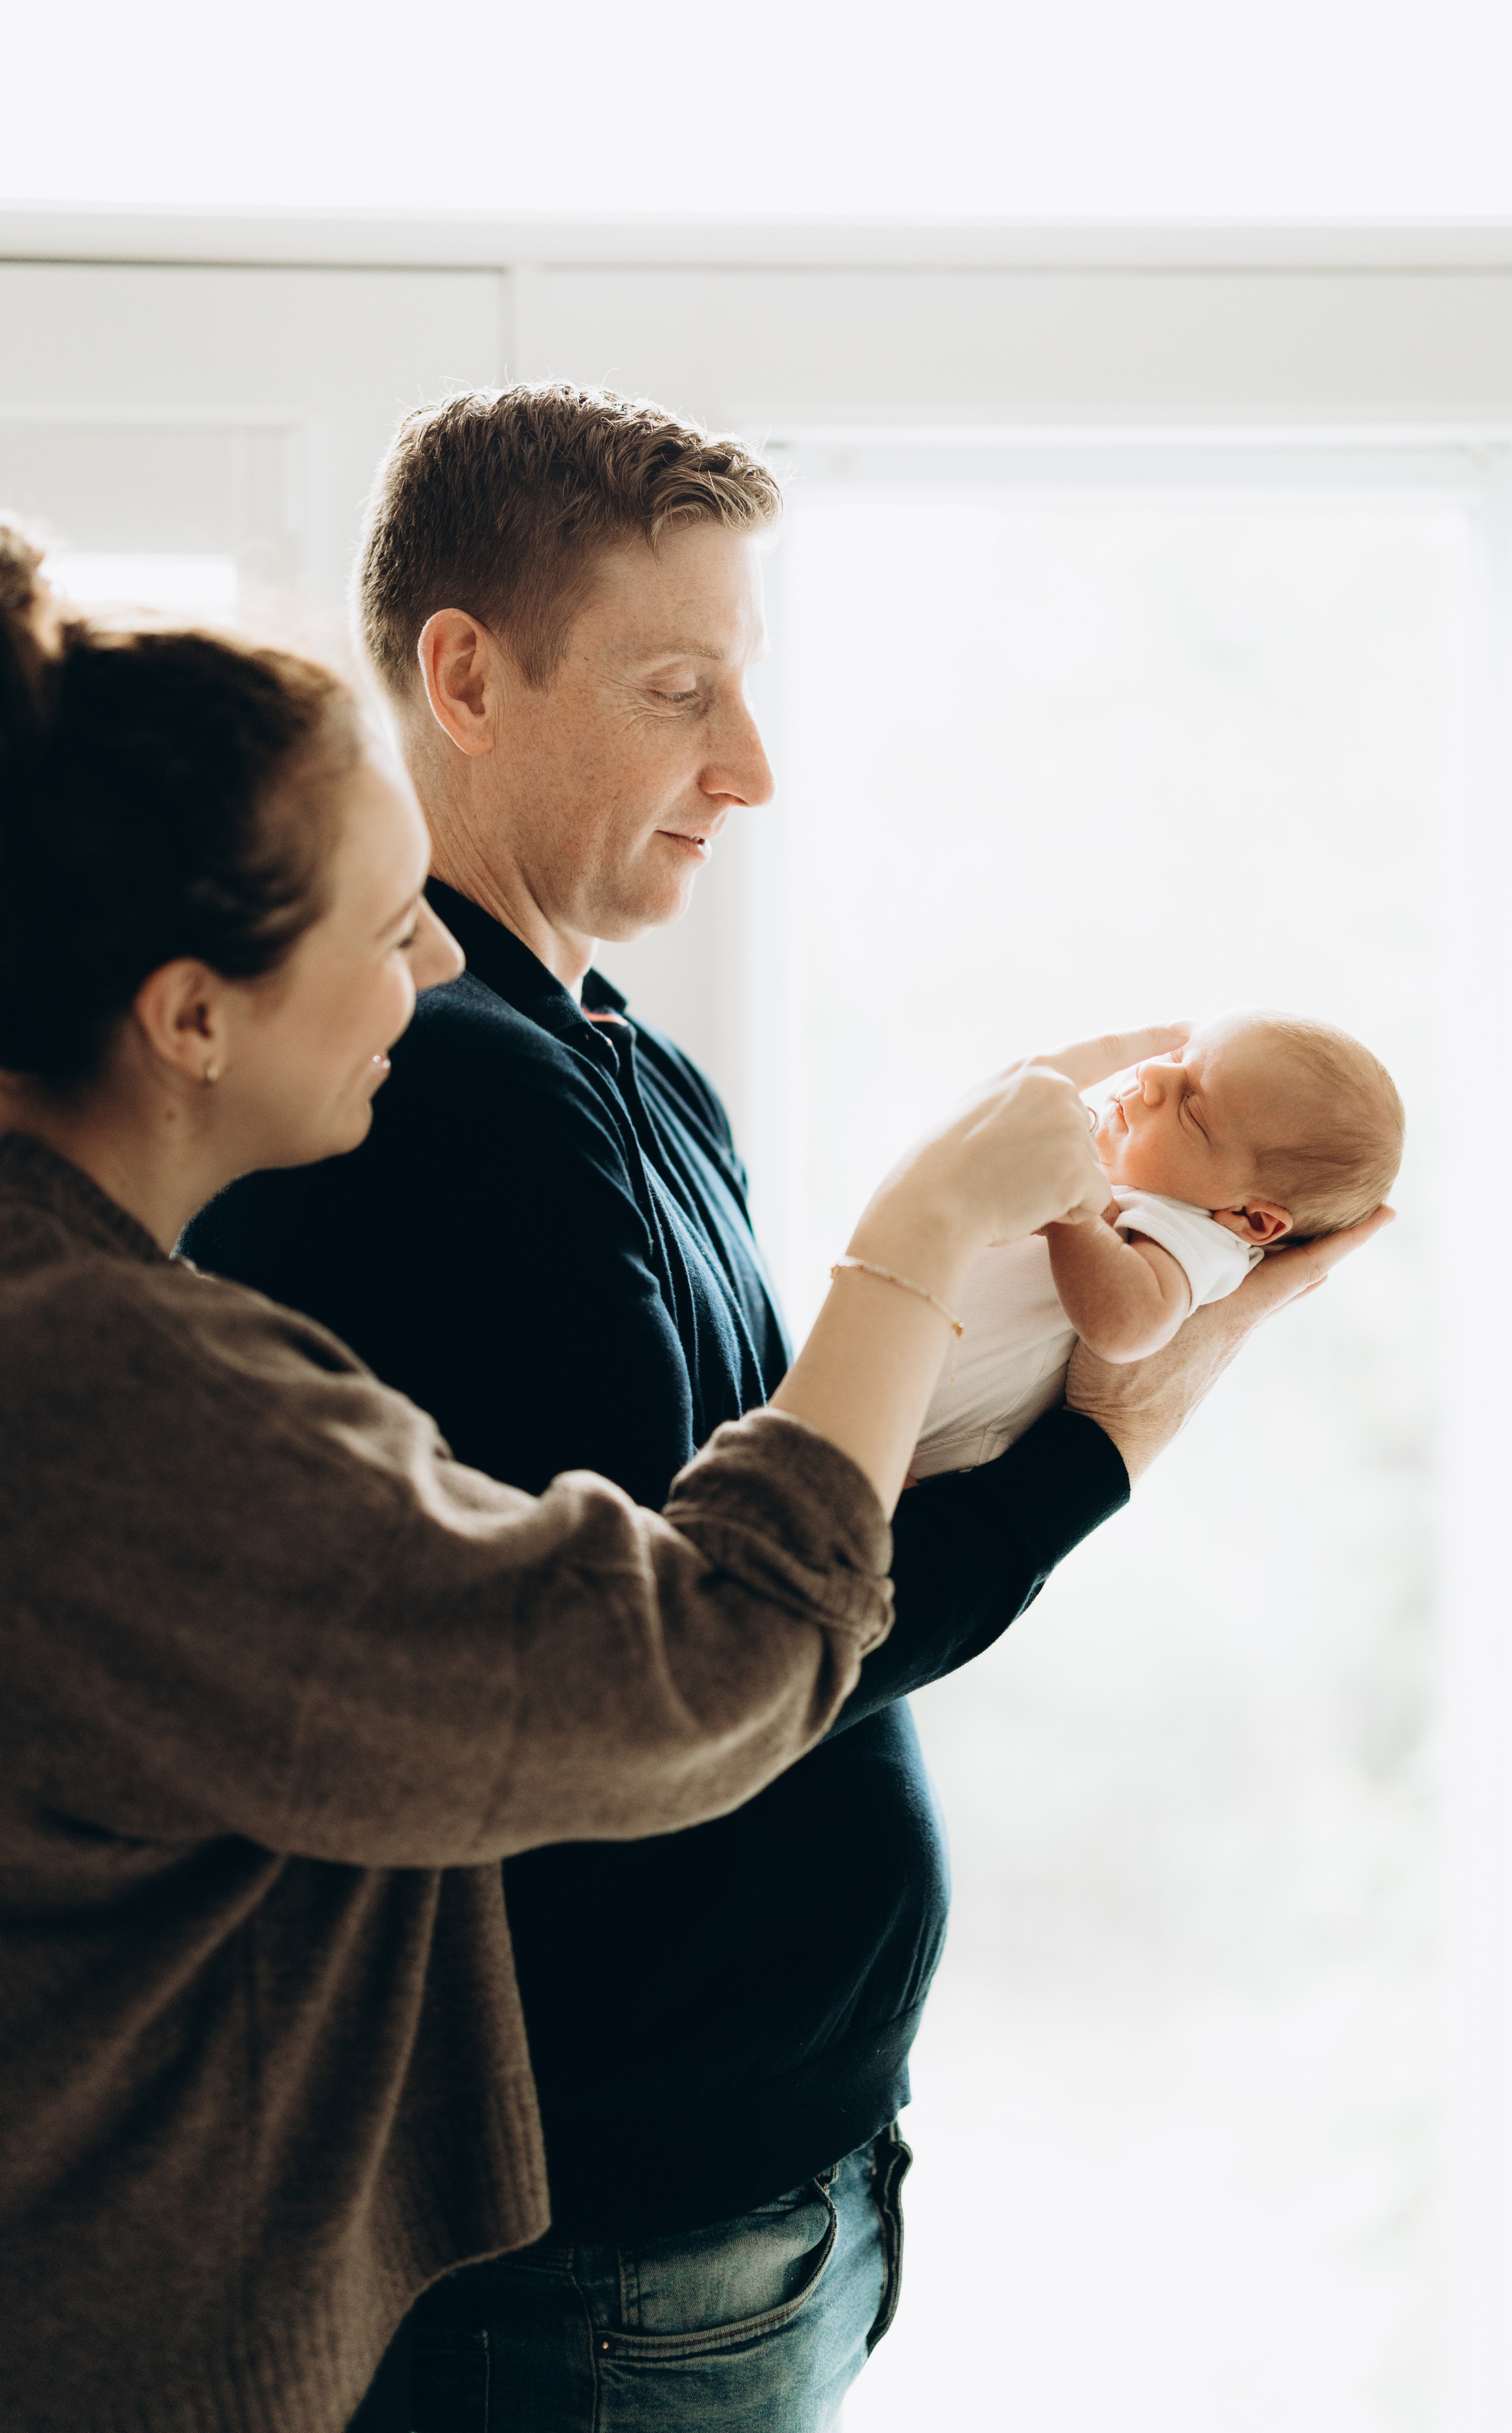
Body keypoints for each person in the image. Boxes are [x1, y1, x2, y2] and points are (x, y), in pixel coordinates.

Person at [187, 386, 1390, 2433]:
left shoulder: (624, 1064)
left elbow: (790, 1529)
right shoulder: (449, 1107)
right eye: (680, 694)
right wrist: (1106, 1442)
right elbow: (696, 1668)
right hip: (614, 2247)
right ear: (466, 677)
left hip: (747, 2196)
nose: (751, 771)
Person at [0, 526, 1109, 2433]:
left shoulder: (106, 1321)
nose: (429, 960)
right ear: (189, 1017)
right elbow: (681, 1664)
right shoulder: (107, 1385)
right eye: (377, 923)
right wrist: (930, 1248)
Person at [913, 1008, 1403, 1475]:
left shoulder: (1198, 1233)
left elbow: (1129, 1327)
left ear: (1251, 1218)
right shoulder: (1135, 1188)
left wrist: (1074, 1211)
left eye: (1192, 1109)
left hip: (931, 1449)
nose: (1151, 1076)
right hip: (891, 1376)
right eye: (1175, 1060)